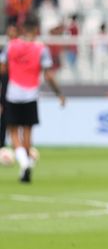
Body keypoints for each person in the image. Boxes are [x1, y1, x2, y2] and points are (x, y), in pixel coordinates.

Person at [0, 15, 65, 183]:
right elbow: (48, 76)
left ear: (22, 29)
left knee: (13, 130)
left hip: (13, 93)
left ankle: (24, 163)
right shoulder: (41, 49)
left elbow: (2, 68)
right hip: (31, 94)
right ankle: (27, 162)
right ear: (36, 30)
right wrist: (59, 94)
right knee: (27, 131)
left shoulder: (11, 46)